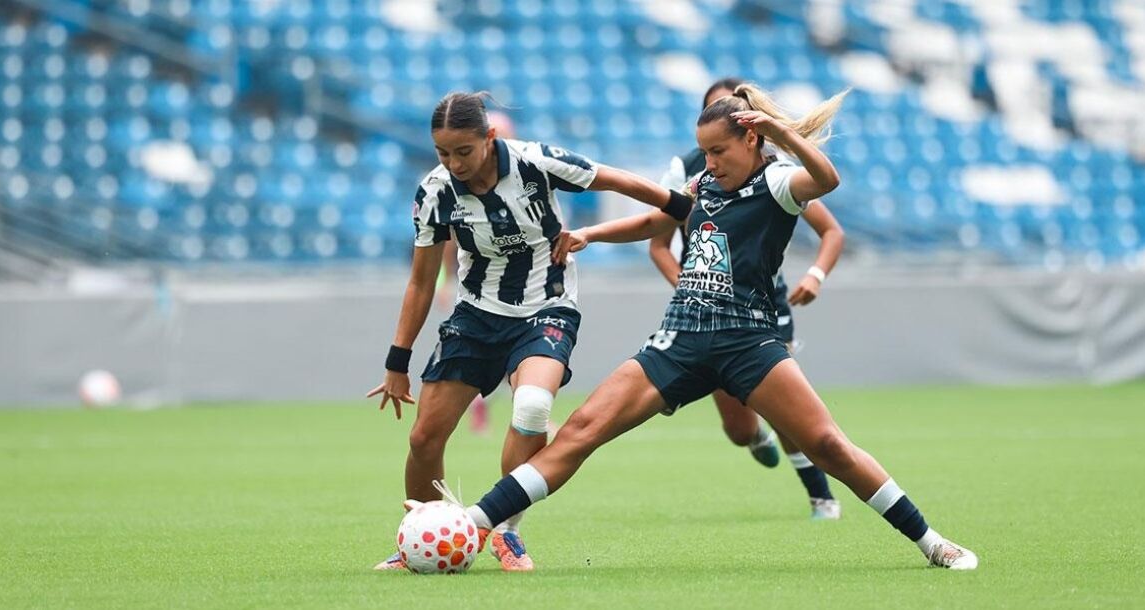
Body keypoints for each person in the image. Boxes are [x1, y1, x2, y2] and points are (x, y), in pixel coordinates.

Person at [445, 84, 978, 570]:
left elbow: (827, 179)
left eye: (719, 151)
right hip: (680, 338)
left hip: (749, 341)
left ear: (751, 139)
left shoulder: (778, 183)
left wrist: (781, 133)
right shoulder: (704, 183)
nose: (710, 162)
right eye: (705, 152)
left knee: (828, 445)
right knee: (582, 429)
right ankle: (473, 523)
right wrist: (593, 233)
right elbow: (657, 221)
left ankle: (931, 541)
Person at [369, 92, 693, 572]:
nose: (454, 163)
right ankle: (423, 540)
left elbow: (613, 178)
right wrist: (397, 362)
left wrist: (679, 205)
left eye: (463, 151)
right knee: (424, 438)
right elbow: (421, 281)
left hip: (547, 308)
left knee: (533, 406)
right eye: (443, 153)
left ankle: (506, 530)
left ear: (489, 138)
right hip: (476, 315)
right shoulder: (435, 192)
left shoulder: (535, 162)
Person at [653, 78, 846, 519]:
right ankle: (755, 437)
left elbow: (830, 226)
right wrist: (692, 291)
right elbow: (658, 244)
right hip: (705, 315)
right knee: (740, 429)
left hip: (763, 304)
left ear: (748, 129)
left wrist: (815, 275)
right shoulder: (688, 171)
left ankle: (820, 495)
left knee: (787, 408)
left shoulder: (774, 172)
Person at [435, 111, 520, 436]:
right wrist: (446, 281)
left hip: (527, 286)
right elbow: (448, 239)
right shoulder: (457, 188)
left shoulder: (528, 174)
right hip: (484, 291)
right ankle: (496, 407)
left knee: (523, 353)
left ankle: (519, 412)